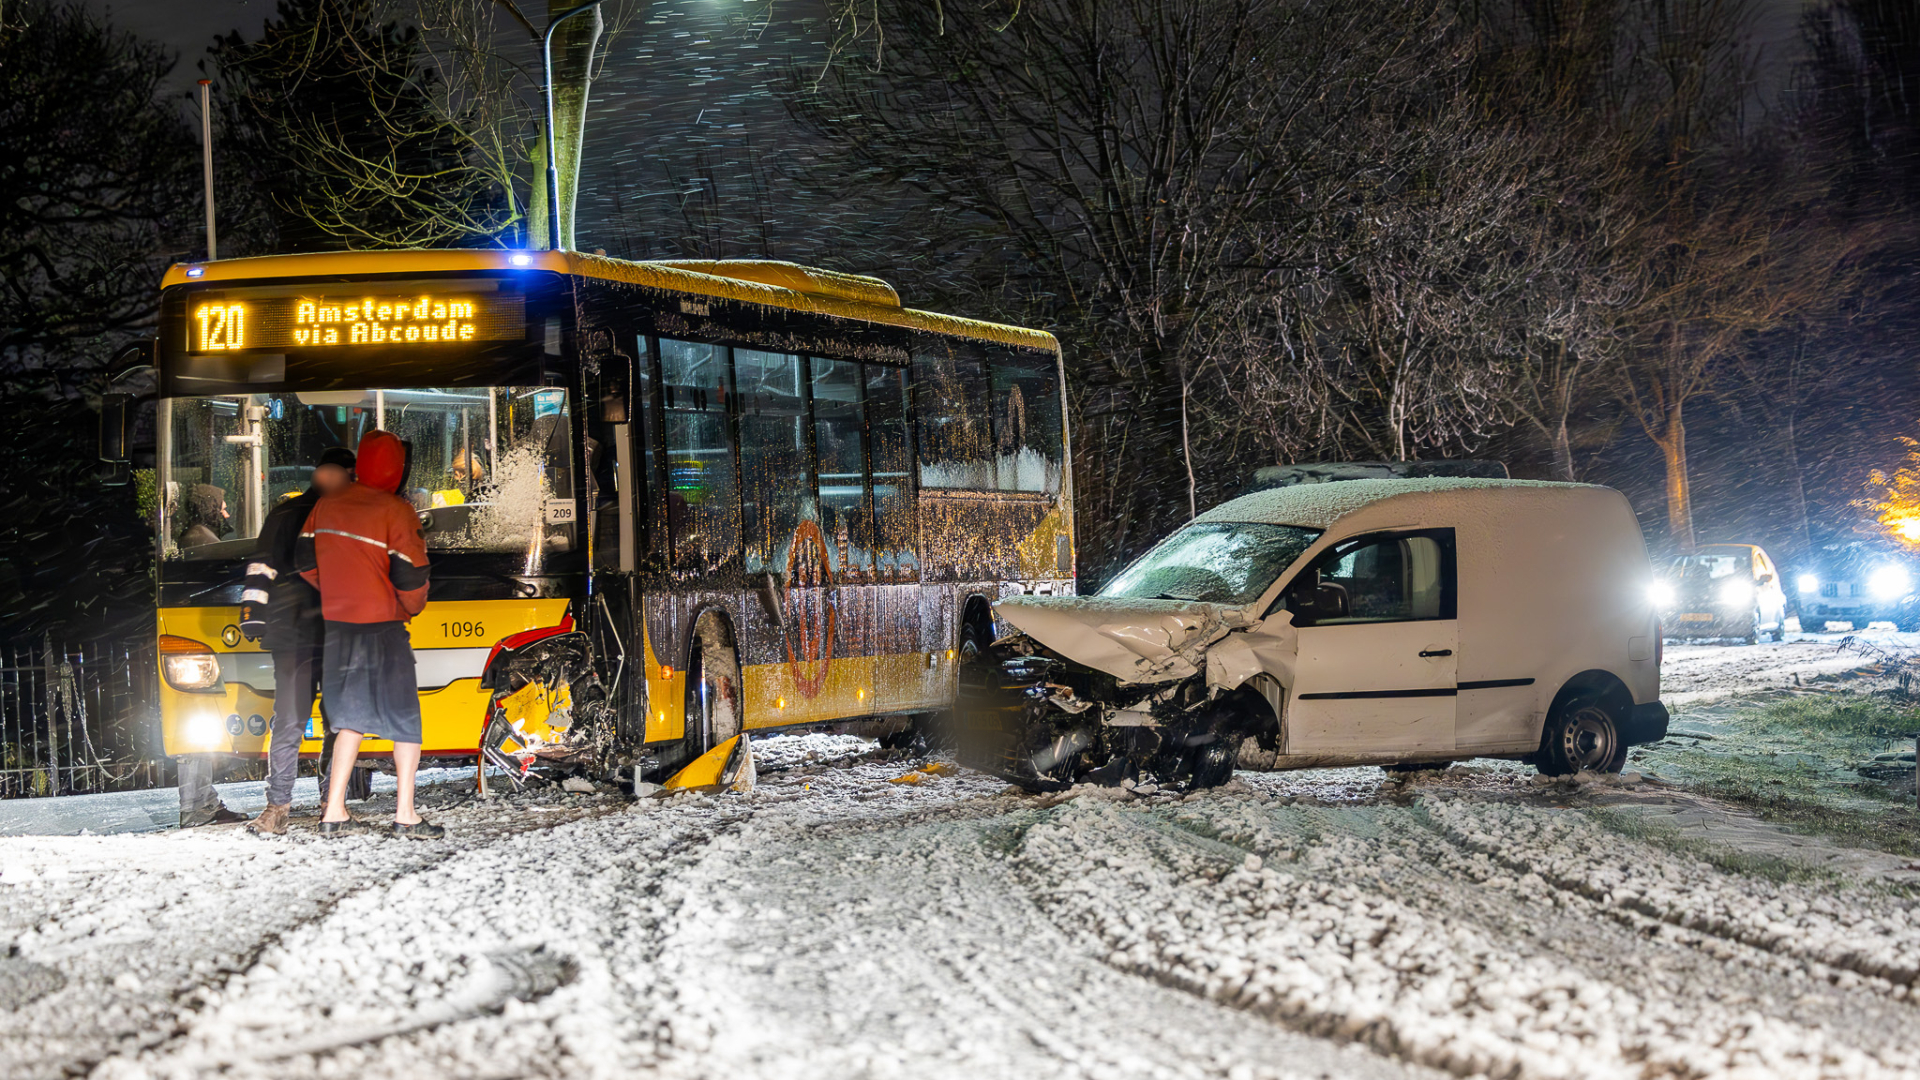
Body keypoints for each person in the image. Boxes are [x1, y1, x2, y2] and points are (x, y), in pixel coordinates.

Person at [296, 429, 442, 839]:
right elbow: (412, 577)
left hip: (338, 627)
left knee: (348, 719)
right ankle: (406, 815)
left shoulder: (326, 504)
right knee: (405, 720)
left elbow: (304, 561)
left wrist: (338, 591)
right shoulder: (396, 509)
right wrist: (407, 607)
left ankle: (334, 811)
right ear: (396, 467)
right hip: (382, 628)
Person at [238, 447, 355, 836]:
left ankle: (304, 807)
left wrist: (253, 614)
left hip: (306, 634)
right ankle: (310, 805)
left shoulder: (291, 513)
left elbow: (260, 566)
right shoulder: (303, 514)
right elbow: (262, 566)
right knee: (327, 722)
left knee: (299, 721)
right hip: (322, 633)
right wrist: (252, 615)